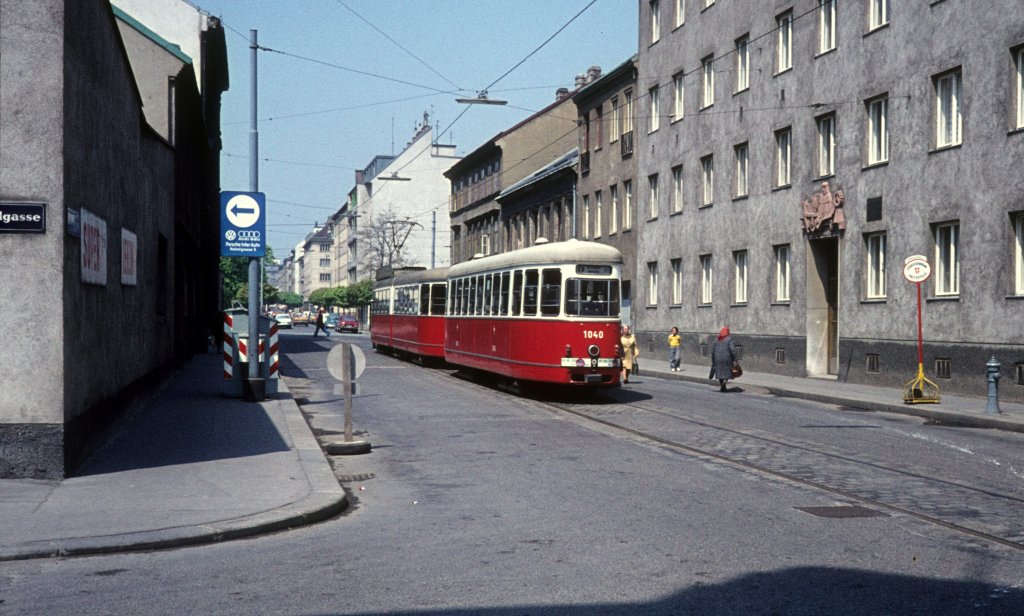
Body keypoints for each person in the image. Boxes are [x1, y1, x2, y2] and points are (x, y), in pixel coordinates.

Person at [710, 326, 737, 392]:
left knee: (720, 372)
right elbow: (733, 350)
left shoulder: (716, 339)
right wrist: (735, 358)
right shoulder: (729, 339)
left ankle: (722, 386)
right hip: (727, 359)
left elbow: (712, 351)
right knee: (728, 372)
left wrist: (713, 359)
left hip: (717, 358)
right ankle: (724, 382)